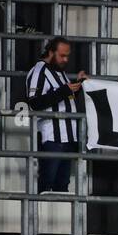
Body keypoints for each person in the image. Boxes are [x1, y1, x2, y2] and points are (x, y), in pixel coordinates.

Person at [26, 37, 87, 193]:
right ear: (51, 52)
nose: (65, 59)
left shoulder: (59, 72)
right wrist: (65, 90)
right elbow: (35, 103)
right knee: (46, 183)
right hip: (51, 137)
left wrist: (78, 85)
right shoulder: (39, 71)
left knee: (62, 186)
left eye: (67, 56)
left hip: (67, 138)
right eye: (62, 55)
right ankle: (37, 216)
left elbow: (63, 99)